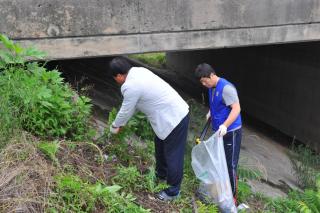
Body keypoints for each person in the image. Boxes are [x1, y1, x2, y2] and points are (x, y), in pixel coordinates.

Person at [109, 57, 189, 201]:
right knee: (160, 146)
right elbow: (133, 106)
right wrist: (122, 123)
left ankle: (173, 192)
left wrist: (115, 126)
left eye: (115, 78)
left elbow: (126, 109)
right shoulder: (139, 71)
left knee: (173, 155)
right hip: (168, 116)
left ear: (119, 76)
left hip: (174, 118)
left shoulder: (130, 86)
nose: (116, 81)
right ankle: (160, 175)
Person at [194, 63, 242, 203]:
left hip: (231, 132)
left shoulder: (226, 88)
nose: (203, 84)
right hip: (219, 132)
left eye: (204, 81)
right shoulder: (211, 87)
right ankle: (220, 191)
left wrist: (225, 125)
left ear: (212, 75)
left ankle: (232, 199)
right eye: (201, 82)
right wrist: (211, 112)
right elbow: (217, 103)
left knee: (230, 164)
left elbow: (236, 109)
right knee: (218, 162)